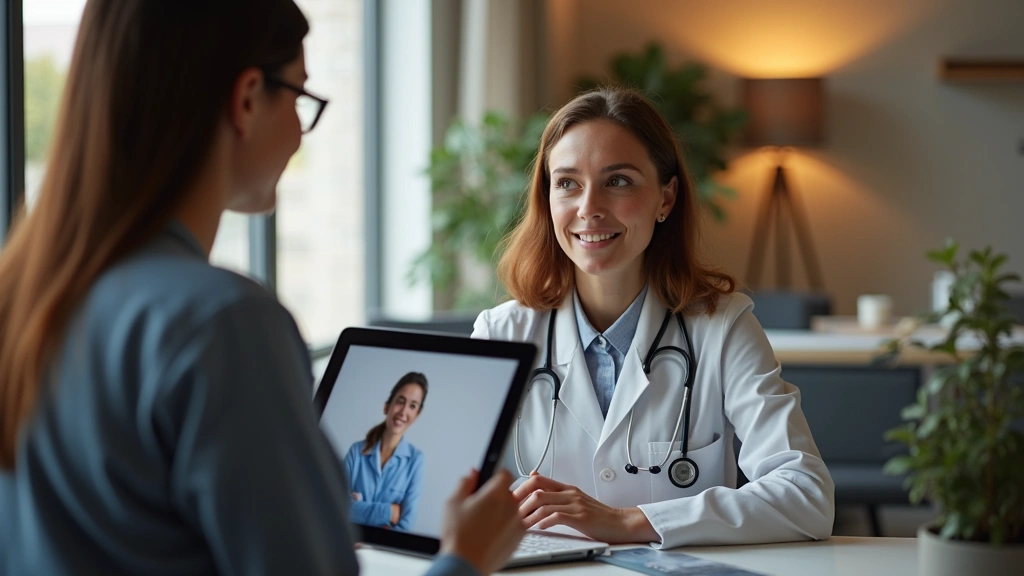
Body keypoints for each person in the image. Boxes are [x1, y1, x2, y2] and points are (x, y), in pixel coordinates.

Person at [0, 1, 523, 575]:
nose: (300, 129)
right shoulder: (221, 324)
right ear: (247, 98)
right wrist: (465, 559)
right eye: (299, 97)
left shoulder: (24, 300)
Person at [472, 87, 835, 549]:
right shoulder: (500, 334)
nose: (589, 208)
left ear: (666, 198)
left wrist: (628, 522)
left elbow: (806, 495)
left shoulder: (722, 328)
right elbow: (446, 492)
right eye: (567, 183)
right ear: (547, 199)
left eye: (618, 181)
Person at [345, 372, 428, 530]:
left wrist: (359, 508)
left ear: (417, 415)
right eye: (400, 401)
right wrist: (389, 512)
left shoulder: (416, 460)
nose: (403, 412)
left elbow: (405, 525)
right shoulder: (356, 452)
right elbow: (336, 506)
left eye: (412, 406)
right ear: (387, 406)